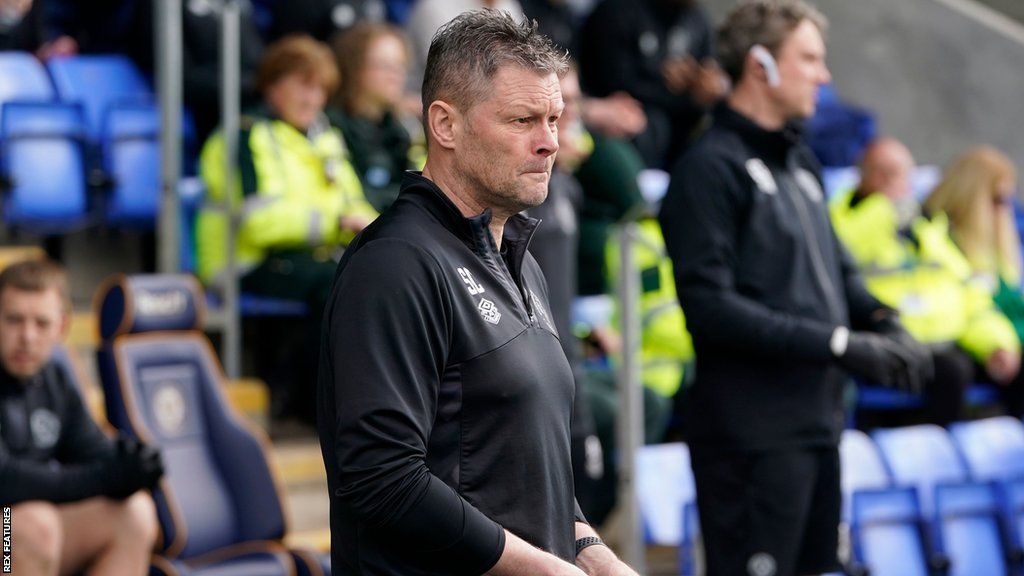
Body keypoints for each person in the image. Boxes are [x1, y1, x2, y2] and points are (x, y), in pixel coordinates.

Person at [317, 10, 638, 575]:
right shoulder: (396, 263)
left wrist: (592, 553)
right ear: (445, 125)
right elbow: (380, 476)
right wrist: (543, 568)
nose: (548, 144)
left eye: (555, 120)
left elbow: (525, 470)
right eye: (522, 121)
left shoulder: (519, 260)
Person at [657, 2, 932, 575]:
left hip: (819, 427)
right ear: (760, 64)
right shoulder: (707, 168)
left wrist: (885, 323)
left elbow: (842, 272)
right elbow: (710, 308)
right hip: (748, 441)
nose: (824, 75)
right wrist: (838, 344)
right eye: (808, 58)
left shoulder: (800, 161)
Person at [198, 35, 377, 424]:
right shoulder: (247, 135)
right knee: (339, 283)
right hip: (246, 262)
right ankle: (314, 407)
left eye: (320, 90)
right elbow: (259, 223)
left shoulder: (324, 137)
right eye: (303, 85)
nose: (312, 99)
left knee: (379, 274)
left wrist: (374, 229)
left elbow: (353, 200)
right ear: (273, 84)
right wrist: (333, 223)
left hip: (304, 258)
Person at [830, 138, 1022, 425]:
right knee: (953, 373)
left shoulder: (928, 228)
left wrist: (996, 344)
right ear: (863, 176)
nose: (894, 183)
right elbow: (845, 248)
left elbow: (969, 294)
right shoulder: (842, 220)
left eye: (901, 174)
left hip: (945, 343)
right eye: (884, 172)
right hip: (886, 346)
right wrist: (882, 208)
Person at [0, 259, 163, 576]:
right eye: (14, 320)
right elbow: (5, 480)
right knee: (33, 526)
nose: (27, 337)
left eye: (41, 324)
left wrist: (134, 466)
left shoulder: (55, 380)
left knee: (135, 513)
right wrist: (105, 477)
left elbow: (96, 456)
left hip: (28, 532)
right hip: (7, 536)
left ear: (61, 327)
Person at [924, 146, 1024, 413]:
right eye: (998, 200)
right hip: (957, 339)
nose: (1004, 211)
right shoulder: (935, 238)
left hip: (994, 339)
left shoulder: (996, 249)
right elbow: (966, 305)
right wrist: (996, 344)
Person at [577, 0, 726, 168]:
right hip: (619, 120)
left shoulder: (699, 20)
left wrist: (705, 87)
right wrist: (670, 87)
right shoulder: (618, 10)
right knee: (647, 124)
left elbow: (711, 75)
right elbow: (612, 82)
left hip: (681, 125)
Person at [329, 23, 415, 212]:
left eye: (400, 66)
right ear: (355, 68)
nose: (396, 75)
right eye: (385, 65)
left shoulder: (402, 130)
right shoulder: (331, 128)